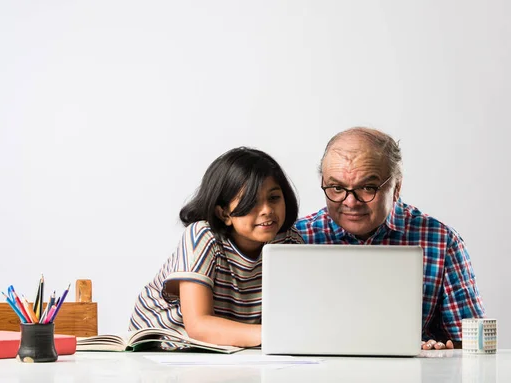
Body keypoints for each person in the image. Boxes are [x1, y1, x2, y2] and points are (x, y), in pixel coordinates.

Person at [295, 127, 485, 350]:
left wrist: (440, 352)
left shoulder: (442, 241)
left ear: (396, 187)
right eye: (336, 188)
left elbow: (472, 344)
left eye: (367, 187)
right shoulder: (297, 238)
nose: (350, 202)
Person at [129, 147, 303, 348]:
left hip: (227, 350)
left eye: (273, 198)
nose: (267, 210)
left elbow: (291, 317)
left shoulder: (288, 242)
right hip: (161, 346)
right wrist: (277, 335)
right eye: (251, 201)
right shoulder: (204, 236)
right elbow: (198, 325)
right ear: (224, 214)